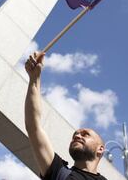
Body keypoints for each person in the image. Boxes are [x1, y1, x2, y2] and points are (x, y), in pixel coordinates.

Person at [25, 52, 108, 180]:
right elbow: (33, 127)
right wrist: (34, 79)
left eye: (85, 134)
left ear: (100, 149)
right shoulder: (58, 172)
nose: (77, 136)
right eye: (75, 135)